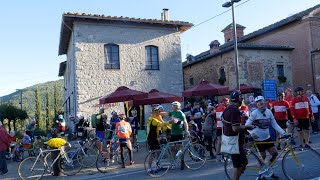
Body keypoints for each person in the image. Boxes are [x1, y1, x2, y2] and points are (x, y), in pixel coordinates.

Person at [245, 96, 289, 179]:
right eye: (258, 102)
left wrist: (284, 133)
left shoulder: (269, 112)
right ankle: (261, 174)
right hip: (258, 139)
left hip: (267, 137)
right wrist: (253, 134)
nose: (260, 103)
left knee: (275, 154)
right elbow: (247, 125)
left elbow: (274, 124)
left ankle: (269, 170)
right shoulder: (255, 113)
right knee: (263, 158)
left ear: (264, 102)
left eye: (261, 101)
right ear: (256, 104)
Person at [222, 90, 254, 180]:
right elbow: (235, 128)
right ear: (239, 99)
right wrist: (246, 127)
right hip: (234, 142)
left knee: (244, 162)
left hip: (229, 139)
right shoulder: (234, 110)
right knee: (237, 167)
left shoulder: (228, 108)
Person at [165, 101, 189, 170]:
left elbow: (185, 123)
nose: (172, 107)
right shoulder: (172, 112)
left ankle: (182, 162)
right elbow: (166, 114)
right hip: (173, 133)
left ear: (177, 107)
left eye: (173, 106)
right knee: (172, 148)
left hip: (179, 133)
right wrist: (158, 112)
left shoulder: (181, 113)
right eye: (172, 106)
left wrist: (186, 131)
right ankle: (173, 162)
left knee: (180, 148)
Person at [215, 97, 229, 162]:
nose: (228, 103)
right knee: (224, 141)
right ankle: (224, 157)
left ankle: (218, 157)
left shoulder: (218, 108)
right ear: (224, 102)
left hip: (218, 126)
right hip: (223, 126)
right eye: (227, 101)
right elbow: (223, 118)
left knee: (219, 141)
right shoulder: (224, 108)